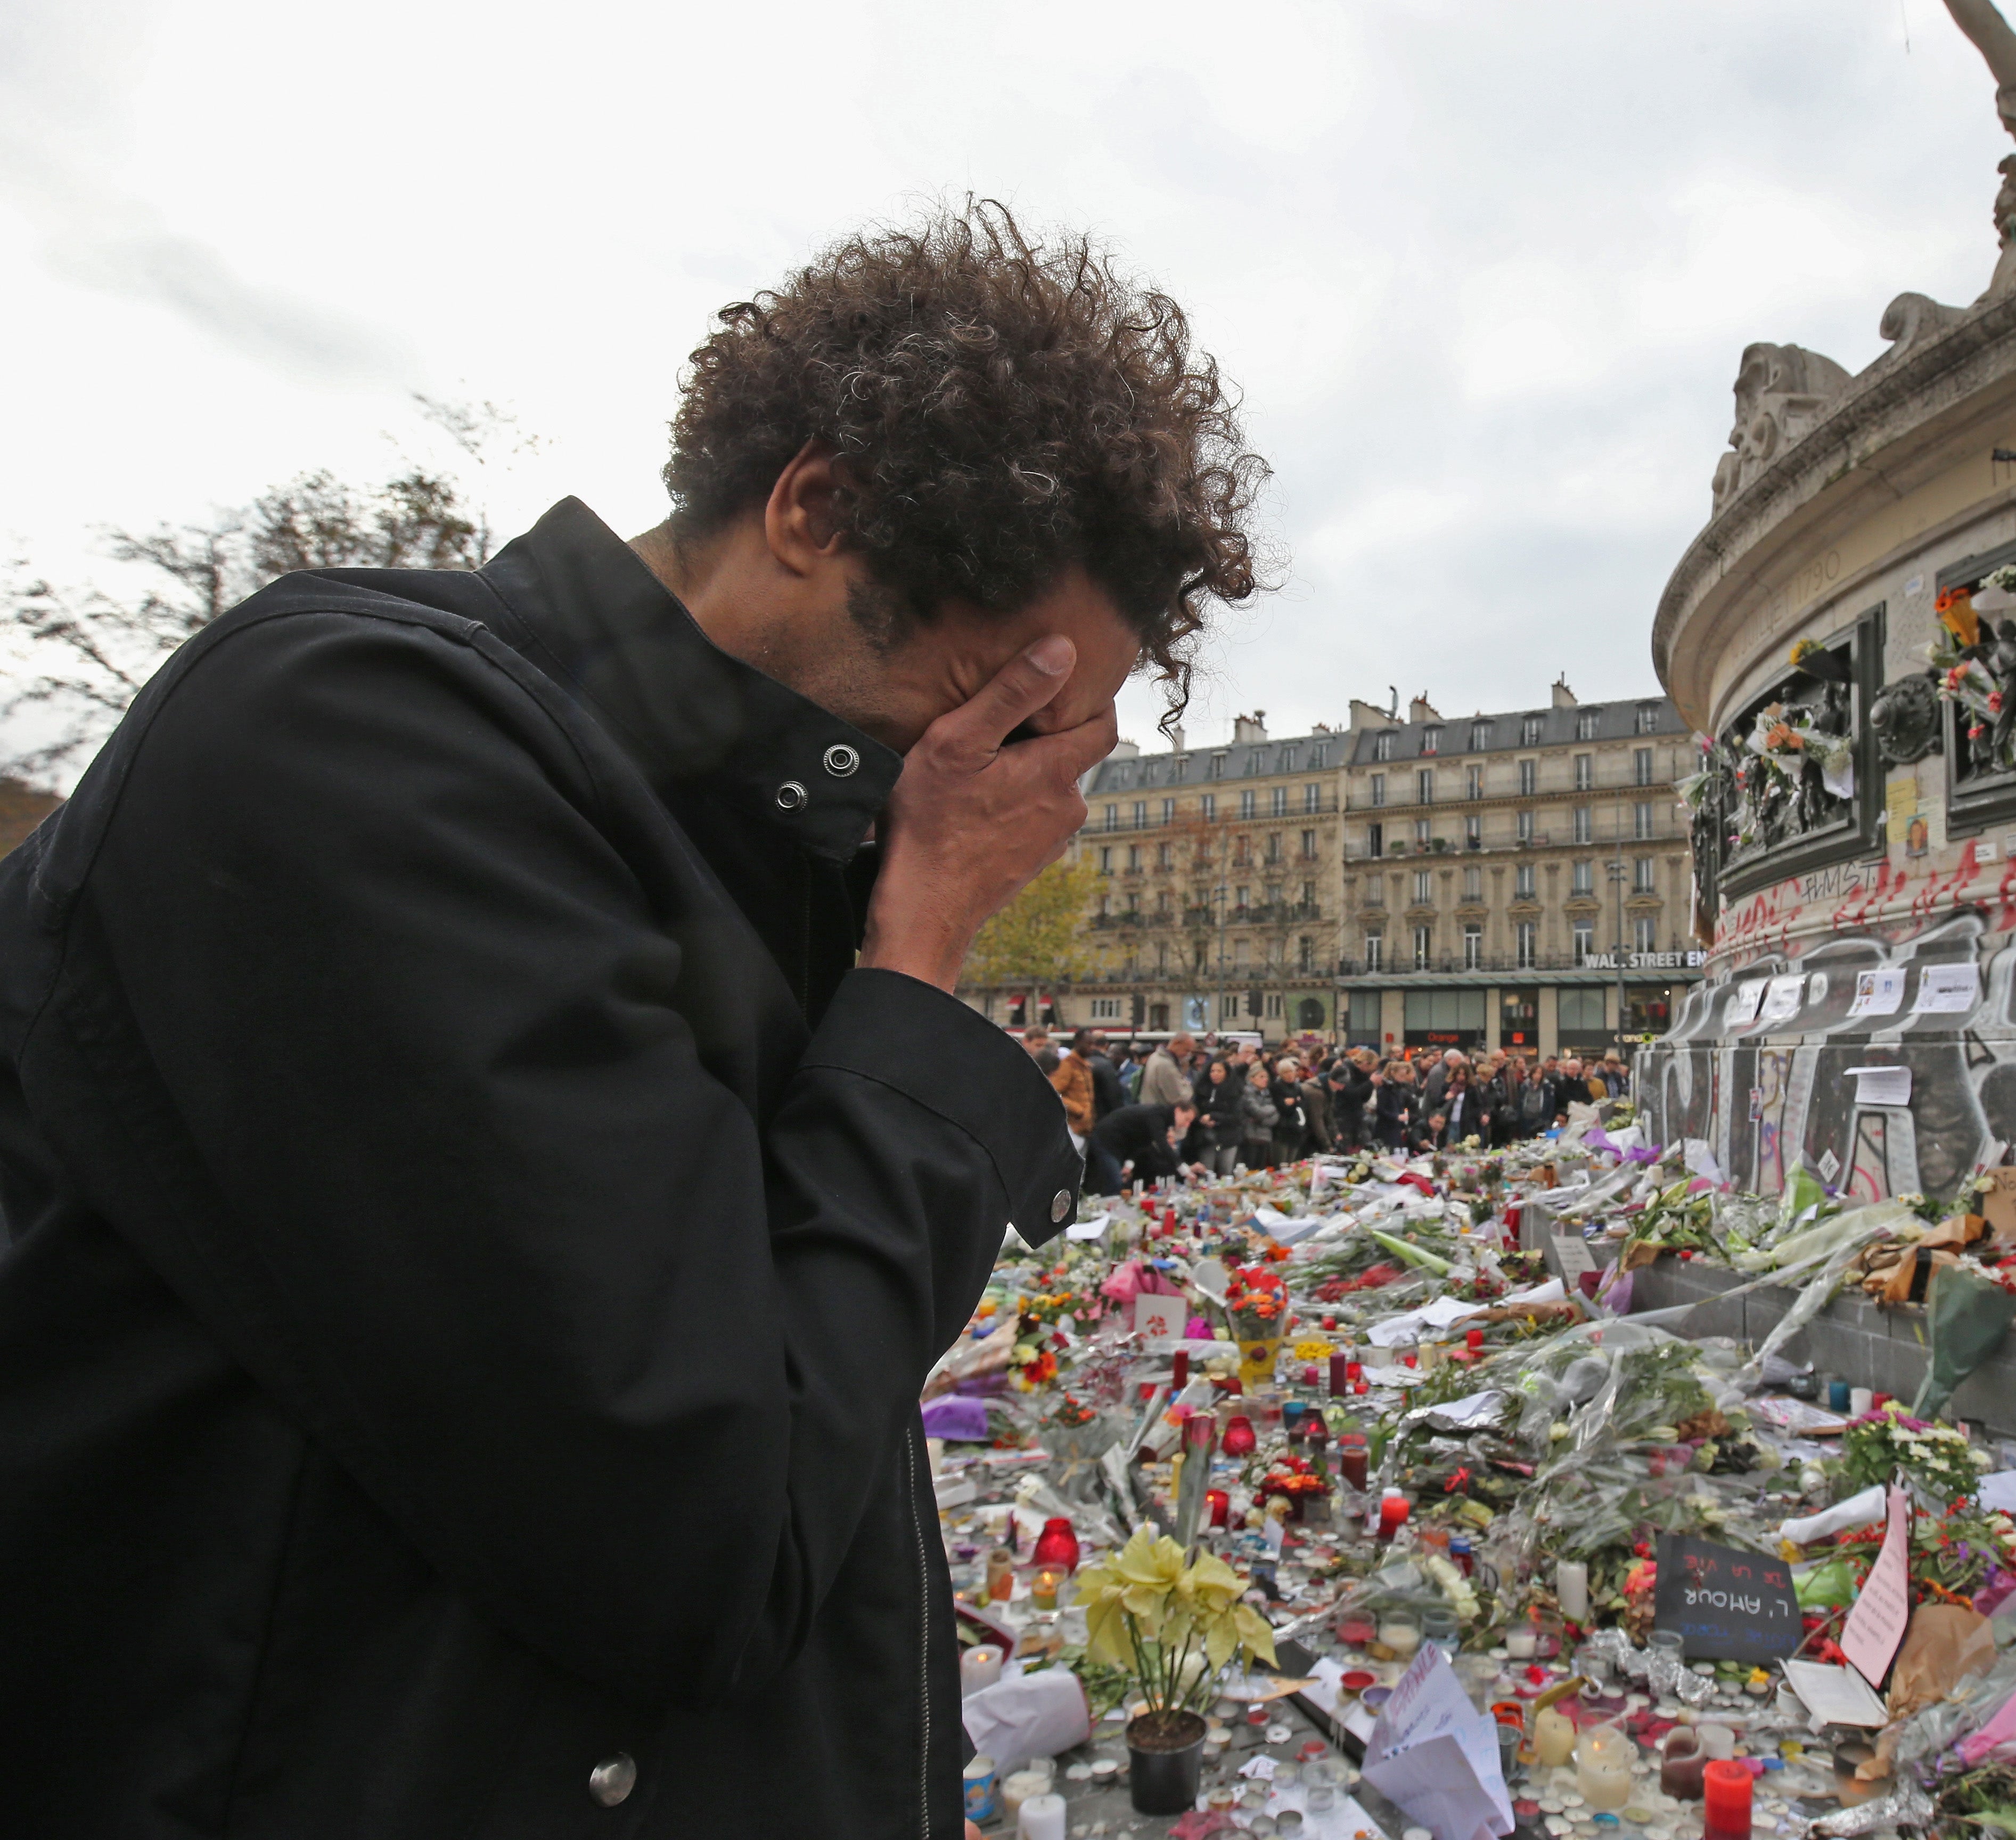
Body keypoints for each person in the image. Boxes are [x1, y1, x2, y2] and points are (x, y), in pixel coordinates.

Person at [0, 207, 1265, 1836]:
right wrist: (923, 946)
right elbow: (707, 1533)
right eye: (993, 698)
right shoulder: (354, 744)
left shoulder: (756, 858)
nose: (998, 772)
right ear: (816, 507)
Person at [1087, 1099, 1199, 1195]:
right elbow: (1162, 1144)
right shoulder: (1158, 1114)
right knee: (1115, 1181)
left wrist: (1129, 1164)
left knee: (1120, 1181)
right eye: (1187, 1119)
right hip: (1106, 1140)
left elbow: (1142, 1143)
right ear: (1178, 1110)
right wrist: (1184, 1170)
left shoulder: (1163, 1120)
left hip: (1118, 1145)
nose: (1187, 1125)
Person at [1195, 1056, 1242, 1174]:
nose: (1215, 1074)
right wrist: (1201, 1119)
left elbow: (1237, 1116)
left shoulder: (1234, 1091)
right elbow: (1195, 1110)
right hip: (1206, 1138)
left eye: (1219, 1071)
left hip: (1228, 1137)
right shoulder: (1201, 1089)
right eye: (1212, 1071)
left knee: (1226, 1171)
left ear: (1227, 1073)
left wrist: (1214, 1117)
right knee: (1206, 1172)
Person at [1140, 1030, 1197, 1109]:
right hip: (1160, 1113)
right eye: (1186, 1050)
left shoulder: (1154, 1057)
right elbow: (1179, 1098)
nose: (1188, 1055)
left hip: (1149, 1108)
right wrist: (1188, 1086)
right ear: (1176, 1043)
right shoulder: (1166, 1065)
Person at [1238, 1064, 1280, 1171]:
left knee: (1261, 1169)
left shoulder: (1268, 1093)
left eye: (1266, 1077)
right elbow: (1257, 1112)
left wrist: (1262, 1120)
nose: (1265, 1080)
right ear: (1252, 1078)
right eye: (1261, 1077)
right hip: (1251, 1136)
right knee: (1250, 1168)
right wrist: (1271, 1110)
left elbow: (1276, 1116)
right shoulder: (1247, 1092)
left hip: (1265, 1137)